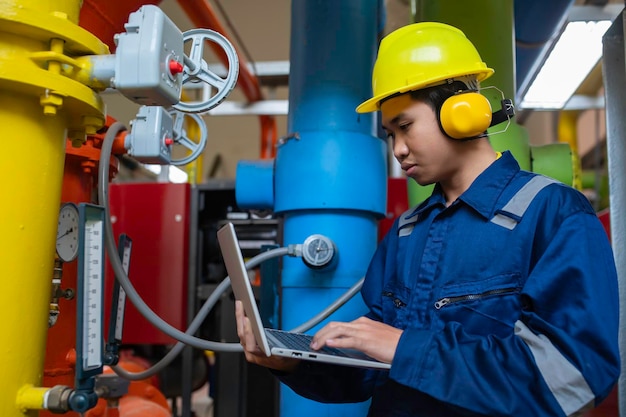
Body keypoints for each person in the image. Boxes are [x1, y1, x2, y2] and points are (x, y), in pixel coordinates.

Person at [235, 22, 620, 416]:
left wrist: (406, 348)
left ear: (461, 112)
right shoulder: (407, 232)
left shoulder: (552, 213)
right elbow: (371, 370)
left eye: (405, 127)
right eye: (389, 135)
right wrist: (295, 363)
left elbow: (572, 375)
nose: (398, 151)